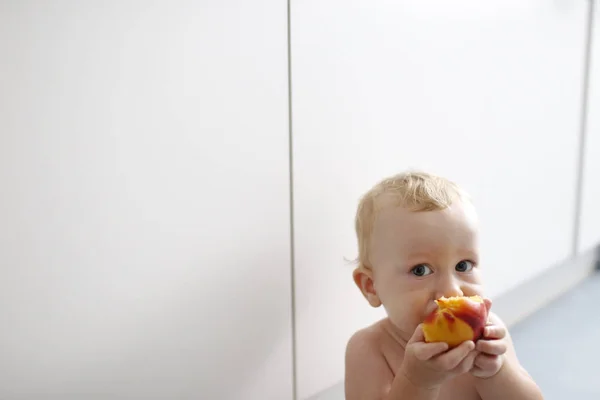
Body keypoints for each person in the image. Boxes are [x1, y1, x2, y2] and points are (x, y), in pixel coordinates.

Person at [344, 171, 543, 400]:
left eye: (463, 265)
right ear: (371, 287)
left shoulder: (488, 333)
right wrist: (416, 381)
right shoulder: (370, 350)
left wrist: (496, 373)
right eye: (421, 270)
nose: (452, 291)